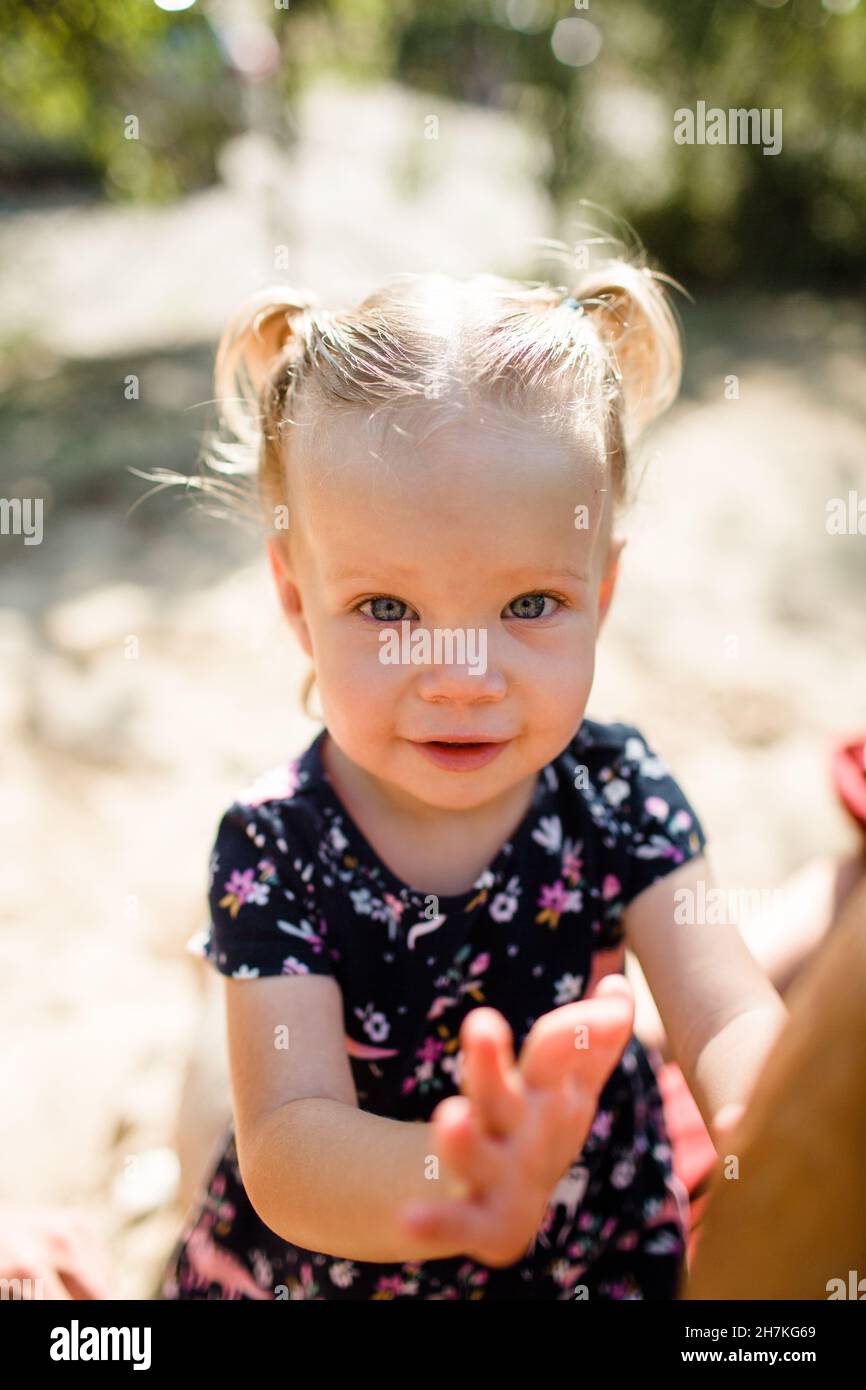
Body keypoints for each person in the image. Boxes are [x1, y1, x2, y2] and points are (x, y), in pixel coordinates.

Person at [158, 247, 788, 1300]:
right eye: (387, 610)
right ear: (294, 600)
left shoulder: (613, 789)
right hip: (347, 1272)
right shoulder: (273, 846)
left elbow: (724, 1014)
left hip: (588, 1249)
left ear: (603, 586)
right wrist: (459, 1176)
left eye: (529, 605)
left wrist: (763, 1105)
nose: (459, 677)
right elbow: (285, 1143)